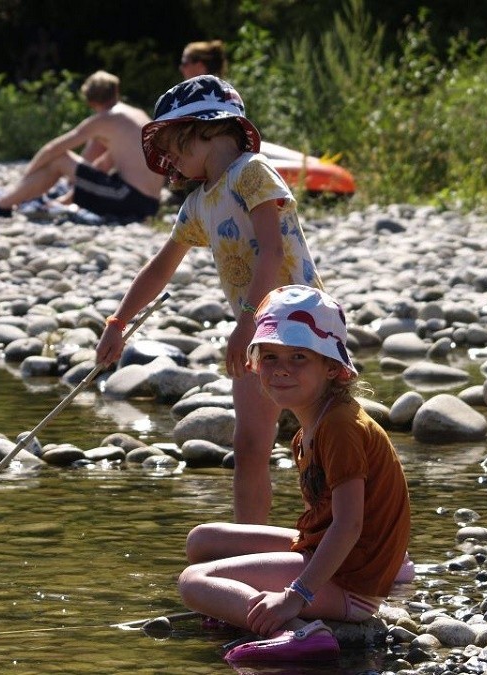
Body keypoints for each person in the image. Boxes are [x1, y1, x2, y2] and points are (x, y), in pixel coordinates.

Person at [95, 75, 322, 524]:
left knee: (322, 438)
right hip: (257, 329)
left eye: (173, 143)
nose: (171, 158)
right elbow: (161, 266)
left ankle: (338, 535)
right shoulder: (199, 202)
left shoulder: (252, 173)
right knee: (250, 443)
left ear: (207, 129)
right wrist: (118, 322)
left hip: (301, 324)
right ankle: (250, 543)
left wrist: (245, 322)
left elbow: (272, 250)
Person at [178, 285, 411, 664]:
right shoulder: (308, 430)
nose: (281, 368)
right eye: (270, 356)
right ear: (256, 363)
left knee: (193, 581)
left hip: (353, 582)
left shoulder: (340, 426)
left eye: (299, 356)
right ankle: (243, 608)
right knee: (201, 541)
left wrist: (294, 596)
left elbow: (349, 526)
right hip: (338, 557)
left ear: (332, 368)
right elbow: (323, 520)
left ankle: (299, 631)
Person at [0, 71, 164, 222]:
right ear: (116, 92)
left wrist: (26, 177)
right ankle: (27, 197)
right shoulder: (134, 115)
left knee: (61, 159)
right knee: (79, 169)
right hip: (149, 203)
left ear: (90, 101)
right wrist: (65, 199)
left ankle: (3, 204)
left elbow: (53, 149)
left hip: (130, 198)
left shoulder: (105, 119)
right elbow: (102, 167)